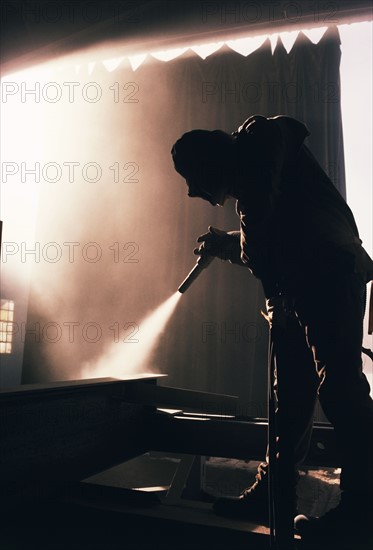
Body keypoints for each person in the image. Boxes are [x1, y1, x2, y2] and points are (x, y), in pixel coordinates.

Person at [171, 115, 373, 546]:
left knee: (340, 389)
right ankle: (273, 494)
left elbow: (263, 222)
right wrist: (229, 243)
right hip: (299, 290)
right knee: (291, 400)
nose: (192, 191)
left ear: (213, 160)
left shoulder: (261, 135)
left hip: (333, 276)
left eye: (192, 178)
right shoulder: (258, 192)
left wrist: (244, 240)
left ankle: (364, 507)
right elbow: (272, 233)